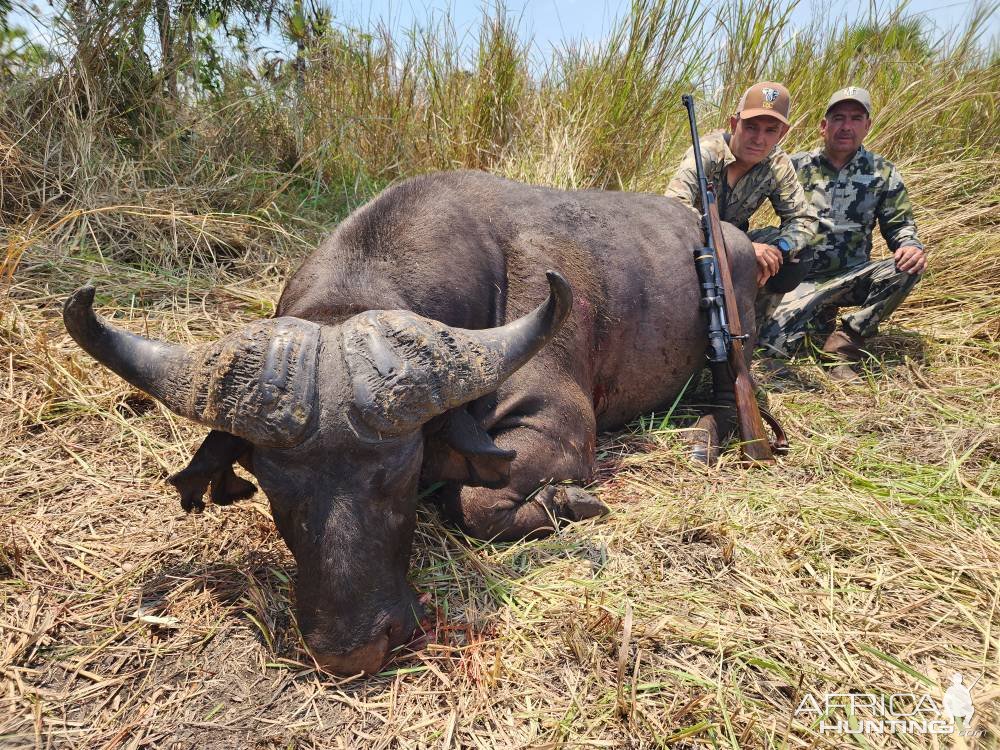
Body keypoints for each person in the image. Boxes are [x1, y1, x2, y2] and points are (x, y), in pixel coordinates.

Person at [757, 86, 927, 380]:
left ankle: (846, 342)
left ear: (867, 126)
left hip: (852, 277)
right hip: (798, 278)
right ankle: (813, 319)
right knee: (767, 349)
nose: (846, 126)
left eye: (855, 118)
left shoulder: (882, 172)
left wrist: (910, 245)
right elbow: (747, 199)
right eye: (838, 118)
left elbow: (899, 225)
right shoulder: (793, 167)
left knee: (907, 267)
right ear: (824, 126)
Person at [666, 81, 818, 295]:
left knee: (797, 257)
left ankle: (756, 320)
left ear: (782, 133)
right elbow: (673, 208)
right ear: (734, 123)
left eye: (770, 130)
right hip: (694, 243)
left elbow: (803, 220)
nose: (758, 139)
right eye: (751, 127)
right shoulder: (706, 153)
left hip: (737, 245)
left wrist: (778, 251)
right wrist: (741, 248)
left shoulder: (778, 164)